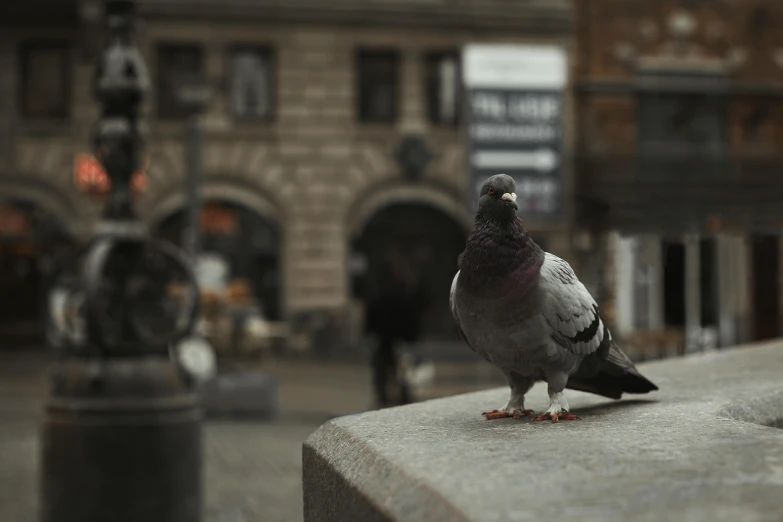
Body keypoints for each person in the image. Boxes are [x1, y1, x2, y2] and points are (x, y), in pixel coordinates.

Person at [364, 260, 424, 408]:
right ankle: (402, 395)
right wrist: (413, 336)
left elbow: (372, 314)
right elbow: (412, 316)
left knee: (385, 369)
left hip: (385, 338)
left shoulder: (381, 293)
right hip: (399, 338)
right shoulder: (404, 294)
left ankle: (384, 395)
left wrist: (369, 331)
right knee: (401, 369)